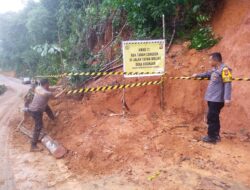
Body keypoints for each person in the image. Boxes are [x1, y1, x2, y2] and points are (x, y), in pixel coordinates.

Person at [192, 52, 232, 143]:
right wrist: (197, 75)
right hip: (212, 98)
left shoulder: (225, 70)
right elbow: (207, 74)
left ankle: (212, 137)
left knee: (212, 117)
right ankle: (215, 135)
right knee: (213, 116)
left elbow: (228, 84)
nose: (209, 61)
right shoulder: (215, 69)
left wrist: (227, 98)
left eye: (210, 60)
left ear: (215, 60)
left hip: (217, 99)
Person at [28, 78, 65, 152]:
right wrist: (62, 92)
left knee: (47, 108)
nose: (49, 85)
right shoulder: (47, 93)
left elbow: (50, 88)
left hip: (33, 108)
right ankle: (33, 145)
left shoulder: (38, 88)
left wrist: (58, 87)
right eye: (48, 84)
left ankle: (53, 118)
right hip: (36, 111)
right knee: (38, 127)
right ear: (46, 84)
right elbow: (55, 97)